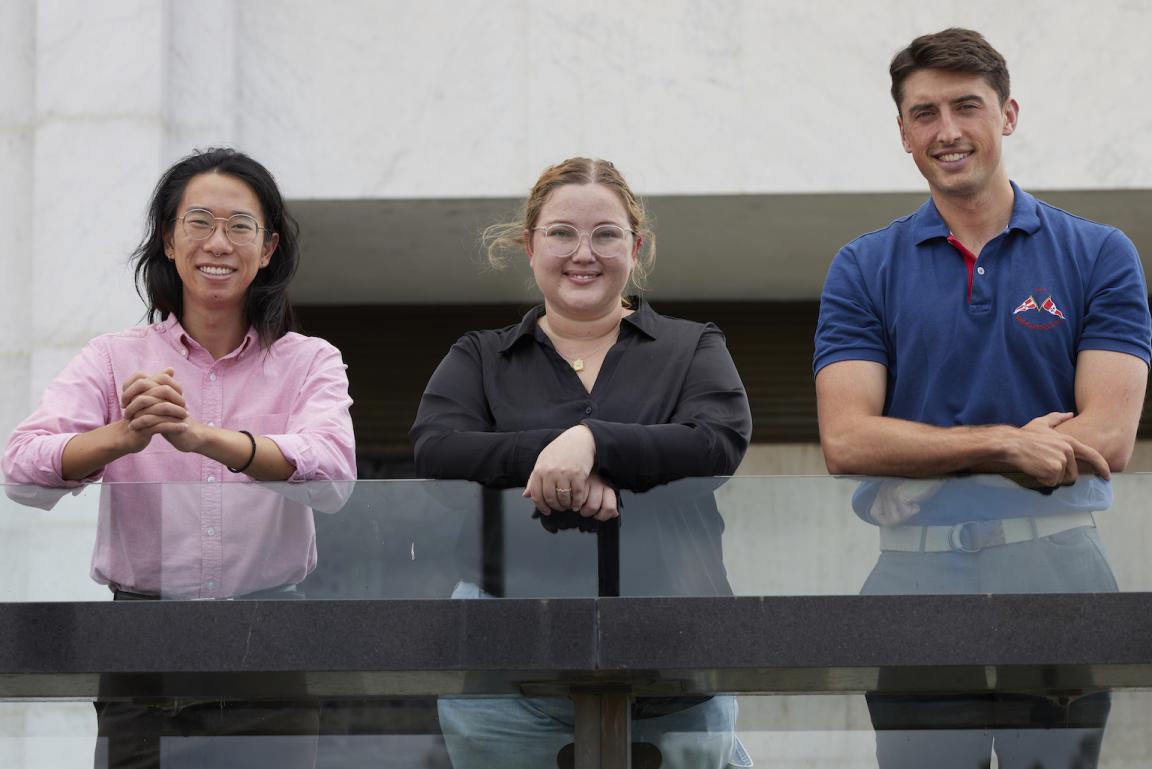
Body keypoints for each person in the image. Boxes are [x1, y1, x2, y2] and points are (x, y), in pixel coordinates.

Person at [813, 28, 1151, 769]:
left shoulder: (1098, 254)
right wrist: (1004, 444)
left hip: (1058, 573)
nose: (948, 131)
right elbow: (846, 441)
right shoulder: (863, 267)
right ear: (903, 132)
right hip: (912, 580)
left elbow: (1108, 439)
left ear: (1009, 114)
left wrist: (923, 466)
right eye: (925, 113)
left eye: (967, 106)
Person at [3, 147, 357, 768]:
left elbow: (333, 477)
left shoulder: (309, 359)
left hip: (268, 639)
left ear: (268, 247)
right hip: (141, 644)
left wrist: (207, 439)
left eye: (239, 226)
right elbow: (21, 468)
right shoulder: (113, 357)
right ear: (168, 240)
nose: (218, 242)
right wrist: (122, 436)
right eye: (198, 223)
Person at [411, 157, 753, 768]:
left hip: (676, 663)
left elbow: (718, 442)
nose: (583, 253)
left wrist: (596, 443)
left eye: (606, 233)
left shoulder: (693, 345)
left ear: (636, 245)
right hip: (505, 671)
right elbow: (438, 453)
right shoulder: (481, 356)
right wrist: (558, 461)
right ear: (529, 244)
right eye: (562, 232)